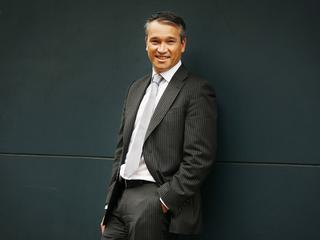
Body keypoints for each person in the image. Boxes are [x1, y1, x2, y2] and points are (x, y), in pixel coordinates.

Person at [100, 11, 217, 240]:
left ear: (183, 44)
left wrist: (164, 201)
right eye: (155, 41)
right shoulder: (136, 88)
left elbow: (200, 157)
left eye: (170, 41)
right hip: (120, 198)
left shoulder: (196, 90)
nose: (161, 48)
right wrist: (108, 204)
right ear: (146, 44)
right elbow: (121, 150)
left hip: (154, 200)